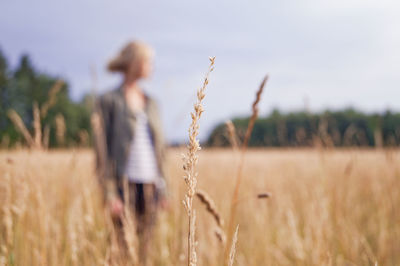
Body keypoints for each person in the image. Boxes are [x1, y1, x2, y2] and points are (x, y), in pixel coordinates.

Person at [93, 40, 167, 264]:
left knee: (145, 248)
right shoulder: (108, 101)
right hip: (124, 185)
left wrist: (165, 188)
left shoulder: (152, 102)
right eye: (148, 61)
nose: (152, 66)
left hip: (151, 184)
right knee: (120, 247)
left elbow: (161, 150)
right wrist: (109, 193)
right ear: (135, 63)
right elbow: (102, 151)